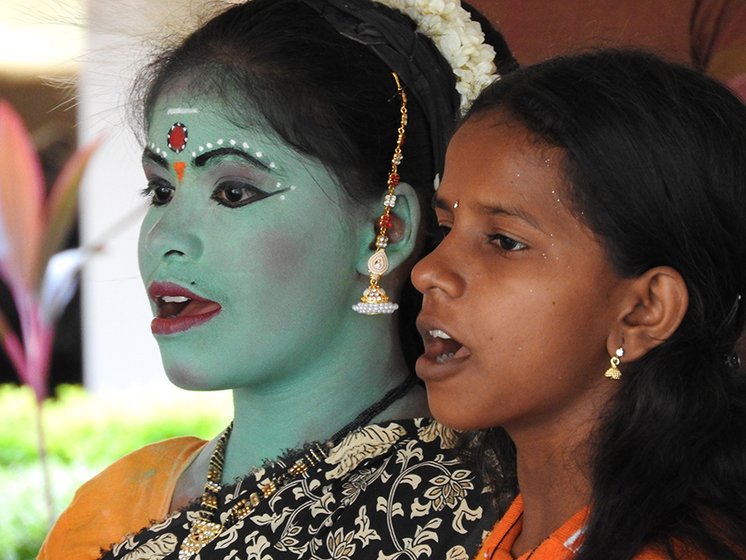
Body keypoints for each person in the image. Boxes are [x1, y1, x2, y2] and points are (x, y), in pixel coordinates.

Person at [38, 0, 517, 559]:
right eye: (161, 191)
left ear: (384, 230)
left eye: (233, 192)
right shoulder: (113, 505)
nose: (166, 236)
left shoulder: (483, 517)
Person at [412, 49, 746, 559]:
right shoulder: (523, 524)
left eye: (504, 241)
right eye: (446, 227)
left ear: (642, 312)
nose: (427, 271)